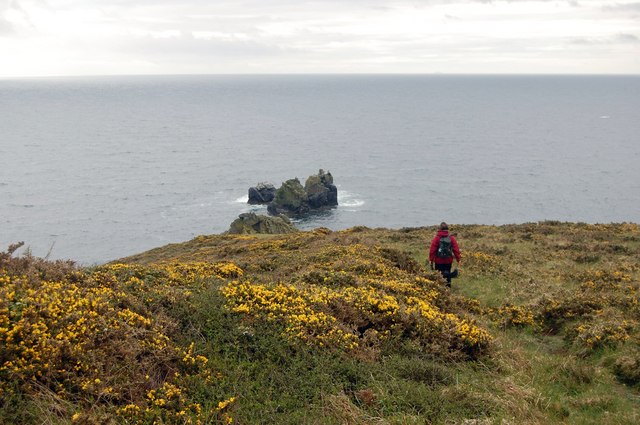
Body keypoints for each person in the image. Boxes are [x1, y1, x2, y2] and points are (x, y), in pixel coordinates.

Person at [429, 222, 461, 287]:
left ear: (440, 229)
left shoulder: (436, 238)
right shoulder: (451, 238)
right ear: (447, 229)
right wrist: (458, 259)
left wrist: (431, 260)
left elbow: (432, 251)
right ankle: (448, 287)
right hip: (448, 260)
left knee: (439, 275)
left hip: (438, 261)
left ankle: (439, 288)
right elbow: (456, 249)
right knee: (448, 274)